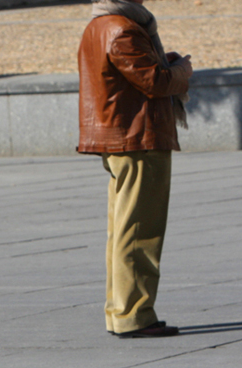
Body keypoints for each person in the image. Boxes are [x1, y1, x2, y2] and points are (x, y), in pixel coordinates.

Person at [77, 0, 192, 338]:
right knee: (140, 229)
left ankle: (121, 311)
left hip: (122, 137)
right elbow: (154, 82)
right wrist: (181, 73)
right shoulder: (123, 28)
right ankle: (134, 314)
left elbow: (133, 76)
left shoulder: (99, 24)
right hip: (138, 137)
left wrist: (163, 63)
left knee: (124, 229)